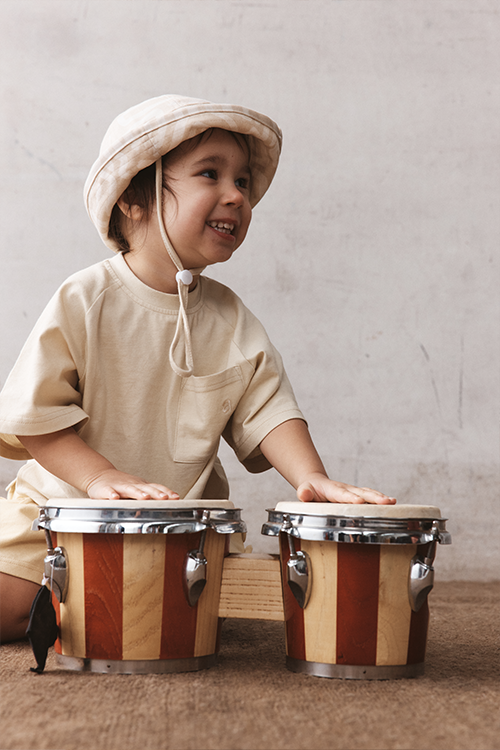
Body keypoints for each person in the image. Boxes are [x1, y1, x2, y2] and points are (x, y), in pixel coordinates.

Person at [0, 95, 395, 642]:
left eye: (243, 183)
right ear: (134, 199)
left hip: (182, 527)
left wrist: (311, 477)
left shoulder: (230, 317)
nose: (236, 195)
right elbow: (36, 416)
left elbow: (269, 407)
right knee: (6, 609)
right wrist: (100, 478)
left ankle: (101, 602)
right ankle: (82, 597)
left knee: (191, 617)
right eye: (210, 173)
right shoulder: (86, 298)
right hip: (61, 507)